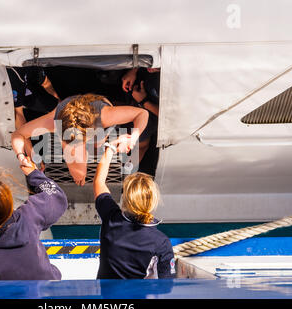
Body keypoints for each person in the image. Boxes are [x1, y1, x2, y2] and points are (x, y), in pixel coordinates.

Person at [0, 158, 68, 280]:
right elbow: (56, 195)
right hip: (48, 291)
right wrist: (34, 174)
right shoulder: (29, 216)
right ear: (9, 205)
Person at [11, 93, 149, 186]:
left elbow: (142, 114)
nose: (76, 147)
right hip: (74, 124)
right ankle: (79, 175)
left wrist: (133, 138)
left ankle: (96, 146)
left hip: (97, 124)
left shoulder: (105, 116)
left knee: (98, 144)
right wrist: (25, 154)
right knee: (79, 173)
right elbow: (18, 134)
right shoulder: (53, 121)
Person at [93, 140, 175, 279]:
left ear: (126, 198)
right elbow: (166, 287)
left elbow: (99, 181)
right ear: (153, 201)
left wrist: (110, 148)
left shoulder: (111, 217)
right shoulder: (161, 242)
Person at [121, 67, 161, 175]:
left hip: (149, 109)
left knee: (141, 141)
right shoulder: (150, 69)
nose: (152, 67)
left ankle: (126, 172)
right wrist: (134, 69)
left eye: (157, 67)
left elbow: (171, 115)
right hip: (136, 92)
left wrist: (144, 101)